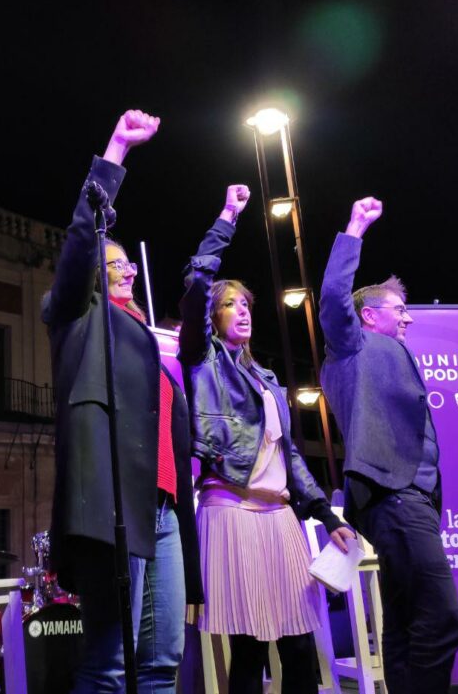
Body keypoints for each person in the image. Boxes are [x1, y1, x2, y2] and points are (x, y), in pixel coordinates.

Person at [42, 110, 203, 693]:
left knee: (163, 659)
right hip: (115, 510)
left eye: (128, 266)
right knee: (110, 662)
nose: (126, 273)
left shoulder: (143, 341)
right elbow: (83, 239)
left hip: (161, 511)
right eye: (113, 267)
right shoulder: (76, 318)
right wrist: (116, 152)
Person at [178, 194, 354, 694]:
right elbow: (195, 282)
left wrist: (329, 517)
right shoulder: (202, 361)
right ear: (212, 316)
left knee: (299, 644)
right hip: (231, 510)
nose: (243, 311)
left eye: (247, 303)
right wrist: (227, 218)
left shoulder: (268, 379)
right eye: (230, 303)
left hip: (281, 518)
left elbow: (289, 457)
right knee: (250, 647)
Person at [319, 197, 458, 693]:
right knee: (441, 620)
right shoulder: (352, 344)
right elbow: (333, 297)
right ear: (368, 316)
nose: (410, 319)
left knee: (404, 625)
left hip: (409, 499)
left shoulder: (390, 354)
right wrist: (355, 227)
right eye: (400, 310)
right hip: (394, 496)